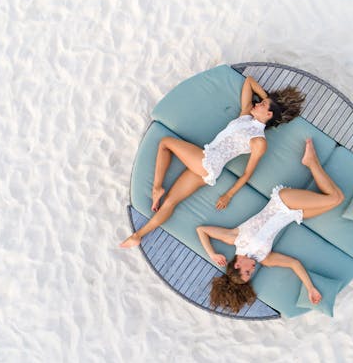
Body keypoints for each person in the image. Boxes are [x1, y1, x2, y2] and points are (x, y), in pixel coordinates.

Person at [120, 76, 305, 248]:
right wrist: (269, 101)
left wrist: (228, 195)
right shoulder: (245, 115)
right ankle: (139, 235)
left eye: (262, 105)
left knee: (165, 143)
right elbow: (249, 81)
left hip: (208, 161)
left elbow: (248, 173)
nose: (257, 104)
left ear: (269, 114)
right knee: (169, 202)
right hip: (207, 166)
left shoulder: (259, 141)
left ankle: (157, 187)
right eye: (260, 102)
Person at [196, 139, 345, 313]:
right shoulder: (264, 258)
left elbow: (202, 230)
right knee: (338, 200)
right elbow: (294, 264)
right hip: (294, 215)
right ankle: (311, 163)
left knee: (333, 199)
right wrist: (310, 288)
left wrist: (212, 253)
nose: (252, 270)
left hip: (282, 202)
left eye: (247, 272)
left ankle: (311, 162)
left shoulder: (235, 239)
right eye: (250, 275)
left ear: (237, 265)